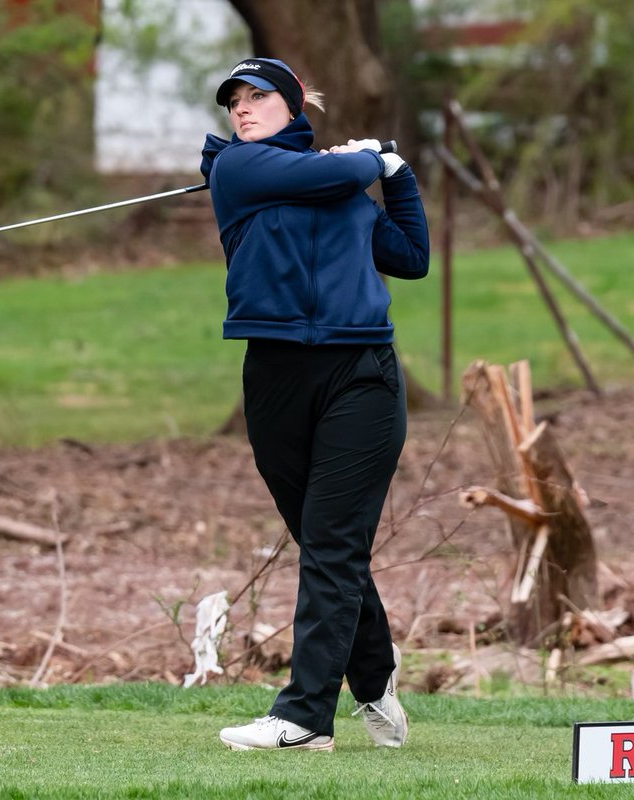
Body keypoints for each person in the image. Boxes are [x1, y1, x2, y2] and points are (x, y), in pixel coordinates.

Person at [200, 57, 430, 751]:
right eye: (233, 101)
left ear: (293, 106)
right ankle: (375, 676)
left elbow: (412, 256)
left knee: (330, 544)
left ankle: (304, 718)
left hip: (362, 373)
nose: (241, 109)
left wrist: (396, 174)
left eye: (257, 97)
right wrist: (369, 158)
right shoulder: (236, 170)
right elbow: (331, 173)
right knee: (325, 541)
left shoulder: (346, 188)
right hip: (274, 374)